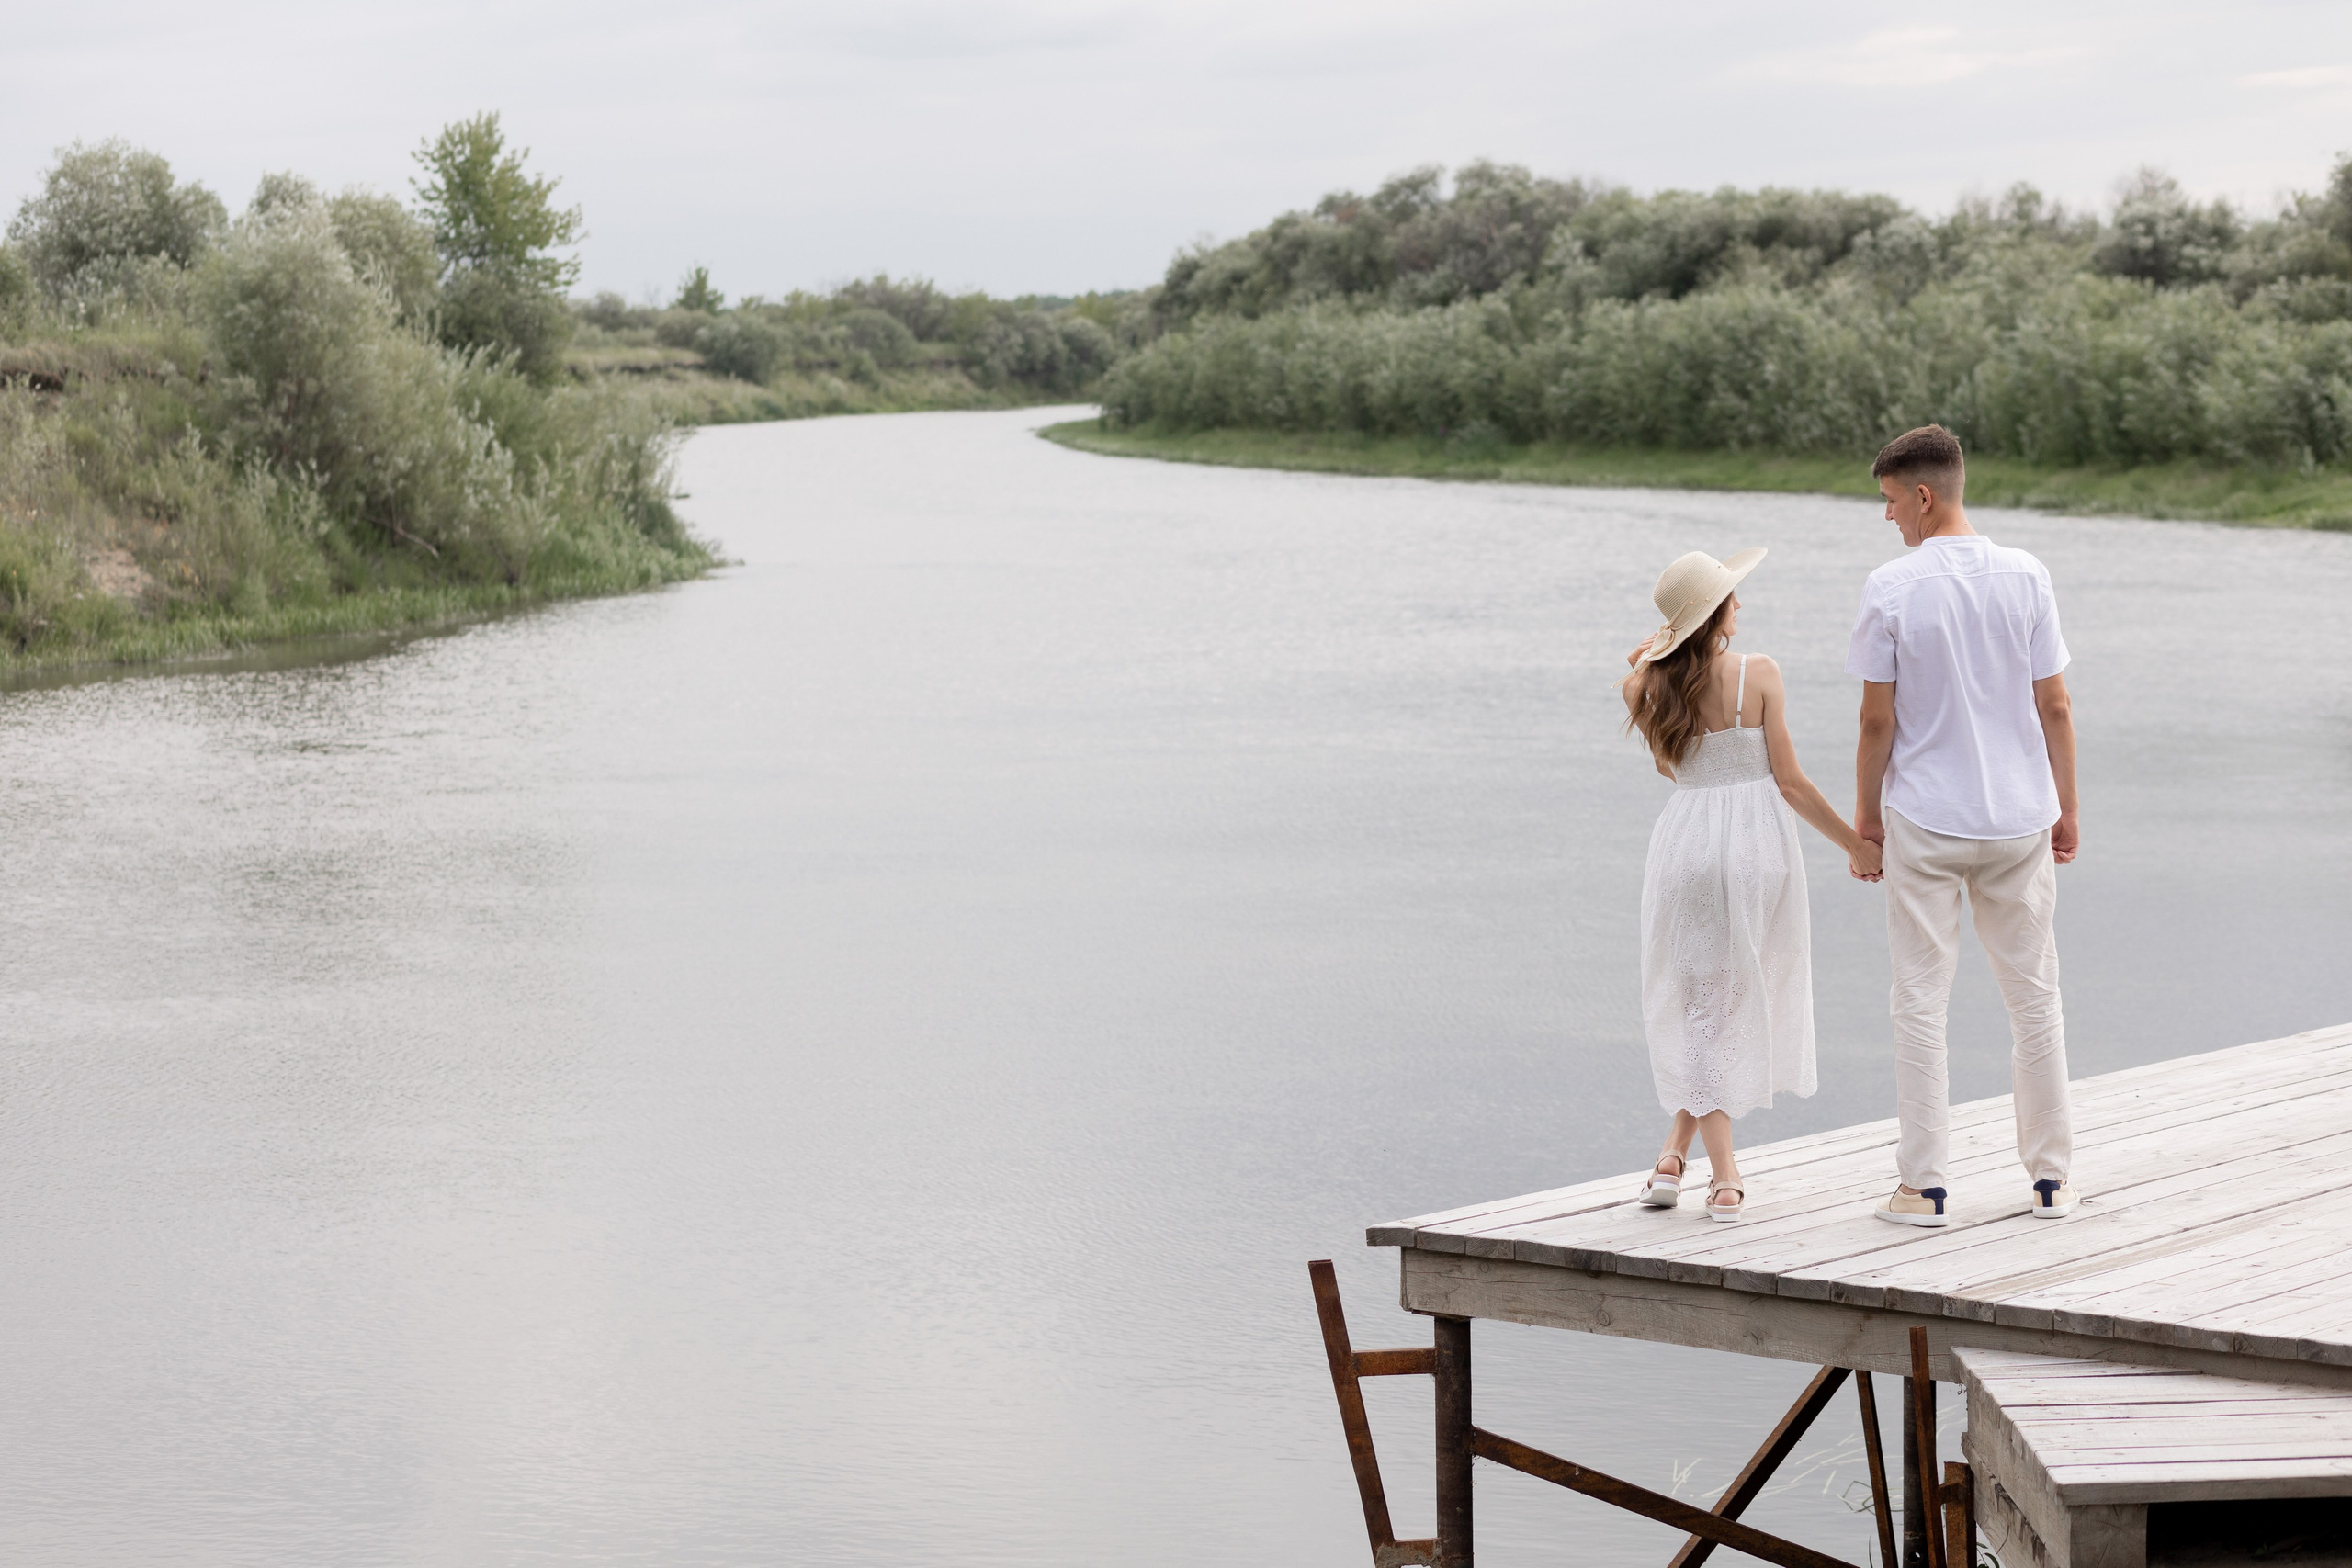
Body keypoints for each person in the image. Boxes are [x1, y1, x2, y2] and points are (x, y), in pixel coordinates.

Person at [1848, 425, 2080, 1227]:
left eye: (1888, 502)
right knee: (2034, 997)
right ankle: (2052, 1181)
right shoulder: (2029, 575)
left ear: (1922, 495)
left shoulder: (1890, 586)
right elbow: (2054, 703)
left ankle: (1925, 1187)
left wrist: (1866, 821)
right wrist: (2068, 806)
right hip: (2020, 815)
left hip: (1927, 818)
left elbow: (1877, 724)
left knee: (1920, 1001)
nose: (1888, 520)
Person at [1623, 549, 1883, 1222]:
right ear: (1716, 614)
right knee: (1721, 1002)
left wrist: (1652, 655)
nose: (1743, 604)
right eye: (1733, 597)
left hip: (1684, 848)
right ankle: (1726, 1176)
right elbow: (1790, 783)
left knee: (1705, 1003)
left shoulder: (1643, 689)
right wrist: (1855, 843)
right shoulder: (1758, 674)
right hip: (1756, 850)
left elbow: (1670, 770)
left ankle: (1672, 1156)